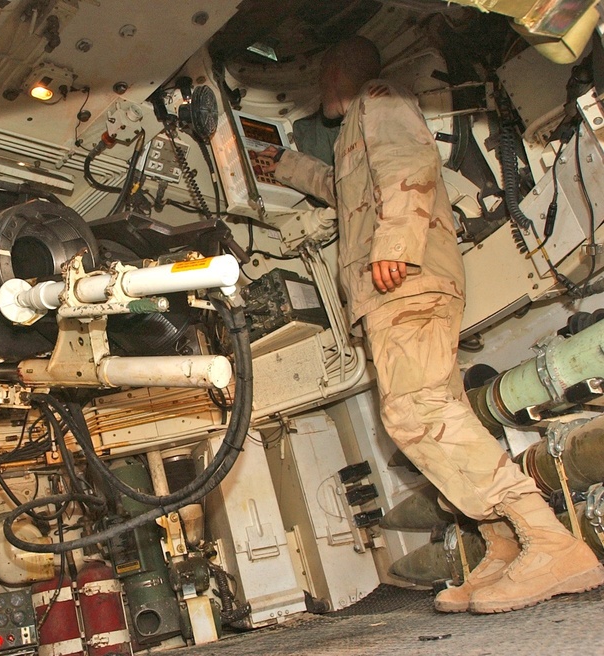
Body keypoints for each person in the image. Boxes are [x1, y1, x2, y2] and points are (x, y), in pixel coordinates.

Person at [255, 35, 604, 614]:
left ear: (346, 69)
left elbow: (408, 163)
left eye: (325, 71)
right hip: (393, 290)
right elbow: (349, 196)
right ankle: (500, 540)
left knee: (415, 411)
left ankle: (547, 539)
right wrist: (288, 166)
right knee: (430, 412)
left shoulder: (378, 96)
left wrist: (395, 244)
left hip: (406, 280)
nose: (320, 85)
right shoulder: (352, 134)